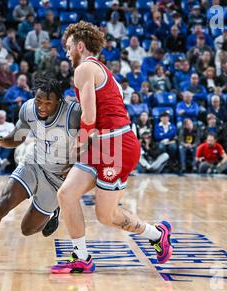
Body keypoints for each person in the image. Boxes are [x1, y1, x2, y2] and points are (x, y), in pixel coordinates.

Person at [51, 22, 173, 274]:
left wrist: (78, 144)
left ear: (80, 46)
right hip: (104, 142)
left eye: (69, 47)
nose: (66, 52)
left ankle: (155, 234)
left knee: (106, 216)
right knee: (66, 194)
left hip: (117, 146)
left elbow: (89, 116)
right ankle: (81, 257)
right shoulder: (99, 69)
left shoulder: (85, 68)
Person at [0, 77, 81, 271]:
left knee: (27, 229)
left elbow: (92, 139)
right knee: (3, 202)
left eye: (48, 103)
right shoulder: (28, 109)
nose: (42, 107)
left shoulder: (73, 113)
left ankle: (54, 212)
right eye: (39, 100)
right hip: (33, 163)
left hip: (57, 179)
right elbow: (17, 139)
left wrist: (77, 164)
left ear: (59, 101)